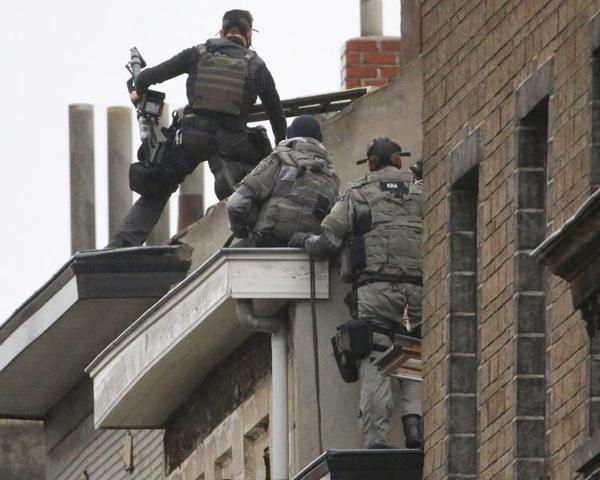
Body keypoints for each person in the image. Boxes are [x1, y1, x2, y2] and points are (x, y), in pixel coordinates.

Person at [108, 9, 287, 248]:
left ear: (221, 32)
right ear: (248, 34)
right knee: (254, 181)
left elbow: (148, 77)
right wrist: (279, 151)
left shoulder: (198, 53)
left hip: (191, 137)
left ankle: (120, 246)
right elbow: (276, 115)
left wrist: (138, 91)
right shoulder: (256, 66)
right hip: (232, 142)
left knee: (158, 189)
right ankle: (239, 201)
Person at [288, 138, 424, 449]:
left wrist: (302, 241)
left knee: (376, 359)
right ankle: (415, 428)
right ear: (398, 161)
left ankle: (377, 440)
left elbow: (327, 243)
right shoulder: (422, 193)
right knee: (414, 353)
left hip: (375, 292)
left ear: (371, 163)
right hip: (418, 292)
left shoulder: (358, 194)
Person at [226, 115, 340, 247]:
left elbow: (236, 203)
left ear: (291, 135)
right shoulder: (332, 177)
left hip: (267, 241)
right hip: (307, 250)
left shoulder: (281, 159)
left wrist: (240, 230)